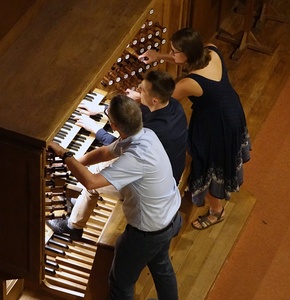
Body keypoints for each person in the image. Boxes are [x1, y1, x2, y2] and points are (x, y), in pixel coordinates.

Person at [47, 95, 182, 300]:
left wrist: (64, 154)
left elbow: (91, 182)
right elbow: (104, 152)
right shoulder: (146, 134)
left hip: (148, 232)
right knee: (161, 267)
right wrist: (76, 163)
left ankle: (74, 226)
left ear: (113, 125)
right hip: (169, 217)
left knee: (120, 283)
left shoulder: (136, 157)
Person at [139, 28, 251, 230]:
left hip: (215, 125)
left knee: (206, 162)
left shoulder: (189, 83)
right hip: (232, 111)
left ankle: (217, 211)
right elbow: (184, 59)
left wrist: (137, 96)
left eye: (174, 51)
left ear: (187, 52)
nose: (171, 54)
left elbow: (159, 101)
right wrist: (158, 56)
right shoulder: (211, 50)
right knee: (210, 156)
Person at [76, 70, 188, 185]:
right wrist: (102, 109)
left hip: (163, 180)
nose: (138, 90)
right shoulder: (173, 104)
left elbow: (122, 148)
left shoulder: (153, 131)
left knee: (94, 171)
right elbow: (139, 112)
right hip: (172, 165)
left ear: (155, 100)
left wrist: (96, 129)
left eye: (142, 90)